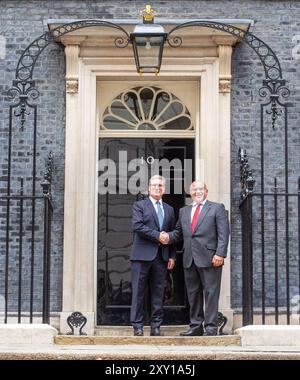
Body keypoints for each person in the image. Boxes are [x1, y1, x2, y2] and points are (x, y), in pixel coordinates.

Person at [160, 181, 229, 336]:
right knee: (193, 293)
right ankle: (196, 326)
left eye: (200, 189)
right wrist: (166, 237)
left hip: (211, 257)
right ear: (190, 193)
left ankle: (211, 327)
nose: (197, 192)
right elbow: (178, 232)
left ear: (206, 191)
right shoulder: (184, 211)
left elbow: (224, 233)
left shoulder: (217, 208)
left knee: (211, 292)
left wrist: (220, 254)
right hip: (189, 257)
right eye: (194, 190)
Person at [130, 175, 176, 336]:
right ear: (149, 188)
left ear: (164, 189)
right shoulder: (139, 205)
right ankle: (137, 325)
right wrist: (158, 236)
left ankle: (156, 325)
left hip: (162, 257)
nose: (158, 188)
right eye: (155, 185)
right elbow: (137, 226)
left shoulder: (169, 209)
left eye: (161, 185)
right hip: (141, 255)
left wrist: (172, 256)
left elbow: (172, 234)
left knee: (158, 292)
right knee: (138, 291)